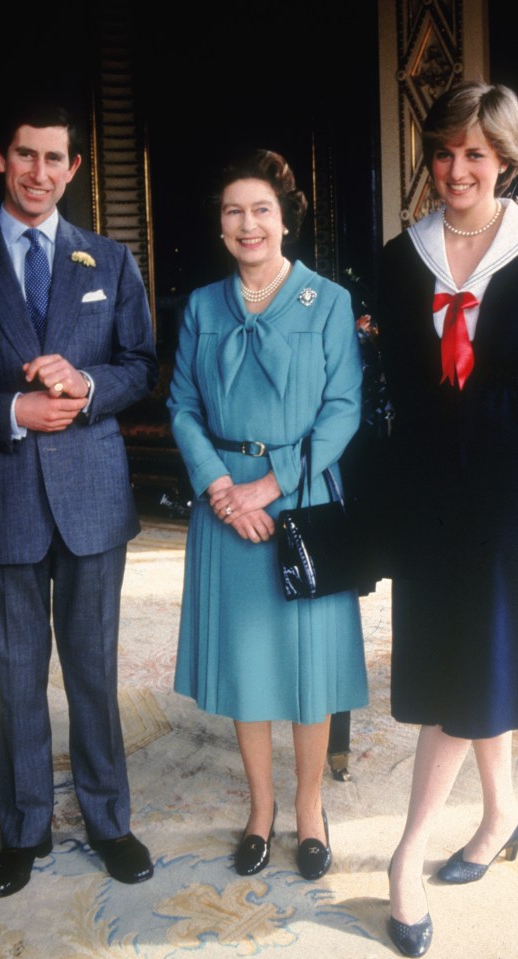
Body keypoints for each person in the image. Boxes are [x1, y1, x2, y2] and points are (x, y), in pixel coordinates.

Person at [0, 100, 158, 899]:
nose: (39, 174)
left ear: (75, 168)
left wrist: (86, 386)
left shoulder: (110, 263)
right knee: (18, 676)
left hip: (92, 499)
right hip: (4, 498)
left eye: (55, 160)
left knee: (92, 669)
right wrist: (11, 411)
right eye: (25, 156)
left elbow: (139, 367)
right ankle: (23, 831)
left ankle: (109, 819)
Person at [377, 82, 518, 956]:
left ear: (504, 159)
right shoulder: (400, 257)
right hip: (429, 479)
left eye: (475, 153)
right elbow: (396, 382)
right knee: (451, 653)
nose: (456, 169)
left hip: (507, 480)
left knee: (476, 656)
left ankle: (405, 854)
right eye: (444, 152)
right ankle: (500, 812)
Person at [167, 149, 368, 881]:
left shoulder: (329, 301)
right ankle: (260, 808)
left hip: (302, 498)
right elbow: (181, 407)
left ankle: (310, 808)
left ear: (285, 220)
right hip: (223, 502)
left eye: (260, 209)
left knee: (307, 668)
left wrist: (271, 483)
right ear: (219, 226)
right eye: (232, 211)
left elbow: (344, 408)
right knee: (249, 665)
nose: (246, 224)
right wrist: (223, 487)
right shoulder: (199, 307)